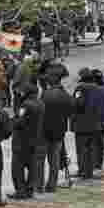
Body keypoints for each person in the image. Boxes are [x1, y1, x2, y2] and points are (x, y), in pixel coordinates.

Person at [39, 64, 74, 192]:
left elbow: (41, 112)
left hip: (44, 131)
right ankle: (51, 185)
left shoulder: (45, 94)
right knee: (54, 160)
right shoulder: (66, 95)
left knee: (40, 159)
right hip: (59, 131)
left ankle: (39, 185)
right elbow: (71, 112)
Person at [9, 83, 45, 200]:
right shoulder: (40, 103)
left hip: (21, 140)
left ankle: (20, 191)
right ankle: (30, 189)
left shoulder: (25, 105)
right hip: (35, 140)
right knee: (32, 166)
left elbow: (19, 121)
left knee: (17, 168)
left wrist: (12, 121)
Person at [72, 70, 104, 179]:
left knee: (81, 148)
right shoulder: (98, 88)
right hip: (95, 123)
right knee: (91, 148)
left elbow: (77, 103)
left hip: (82, 124)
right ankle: (89, 171)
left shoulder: (80, 88)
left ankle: (82, 171)